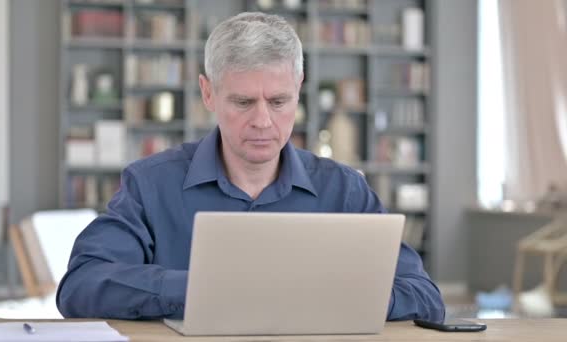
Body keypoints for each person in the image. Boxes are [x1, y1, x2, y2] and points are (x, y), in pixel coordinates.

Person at [57, 12, 445, 322]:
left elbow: (424, 295)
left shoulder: (343, 190)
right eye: (243, 102)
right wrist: (206, 290)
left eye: (278, 102)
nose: (262, 121)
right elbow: (81, 285)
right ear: (208, 93)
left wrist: (329, 298)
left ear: (299, 89)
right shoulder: (150, 184)